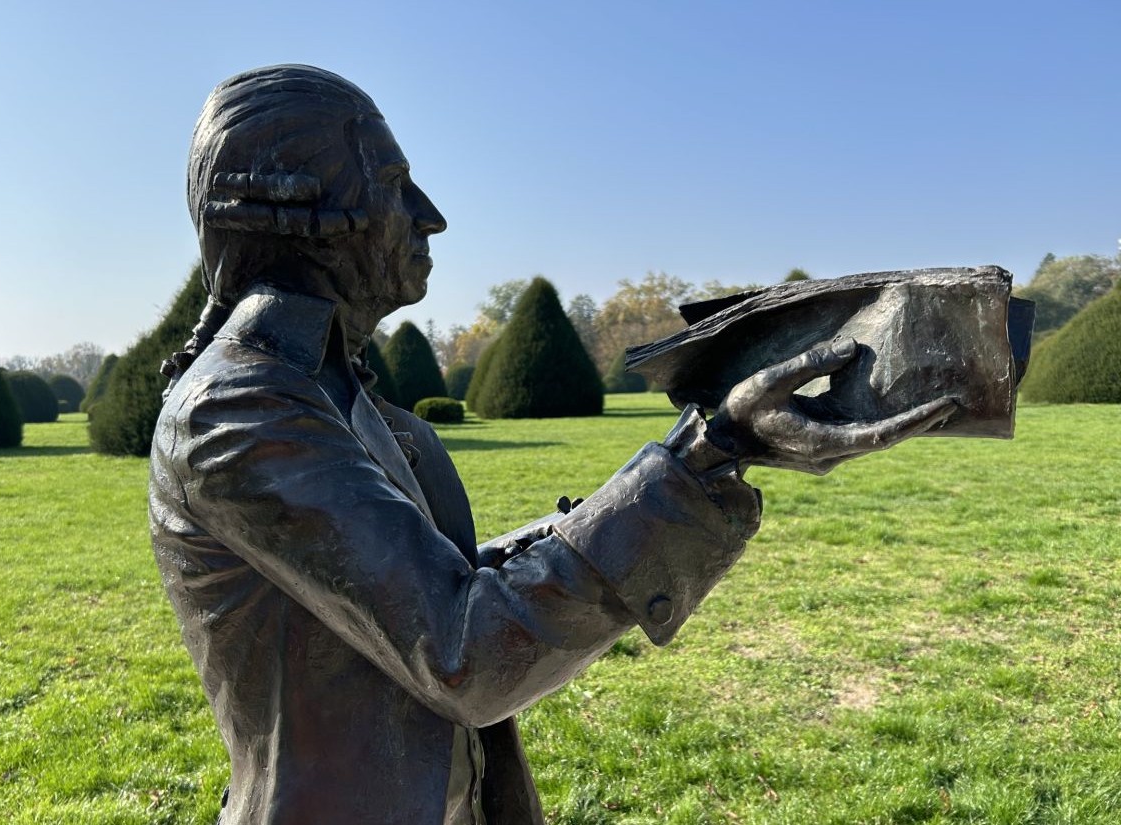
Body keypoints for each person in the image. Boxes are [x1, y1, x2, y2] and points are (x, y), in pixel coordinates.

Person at [149, 65, 955, 825]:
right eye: (393, 185)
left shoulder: (333, 392)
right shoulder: (240, 409)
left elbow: (433, 583)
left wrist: (708, 453)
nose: (429, 214)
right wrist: (701, 457)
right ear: (306, 211)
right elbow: (463, 648)